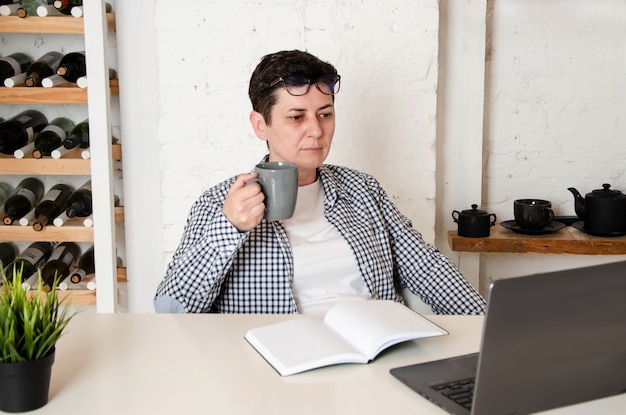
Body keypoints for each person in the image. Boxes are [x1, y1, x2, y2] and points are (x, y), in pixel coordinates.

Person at [154, 50, 486, 315]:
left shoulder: (363, 190)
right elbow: (173, 308)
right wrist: (230, 228)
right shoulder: (219, 204)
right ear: (260, 125)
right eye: (296, 117)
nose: (316, 130)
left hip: (375, 348)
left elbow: (425, 267)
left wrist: (490, 327)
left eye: (325, 114)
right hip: (274, 368)